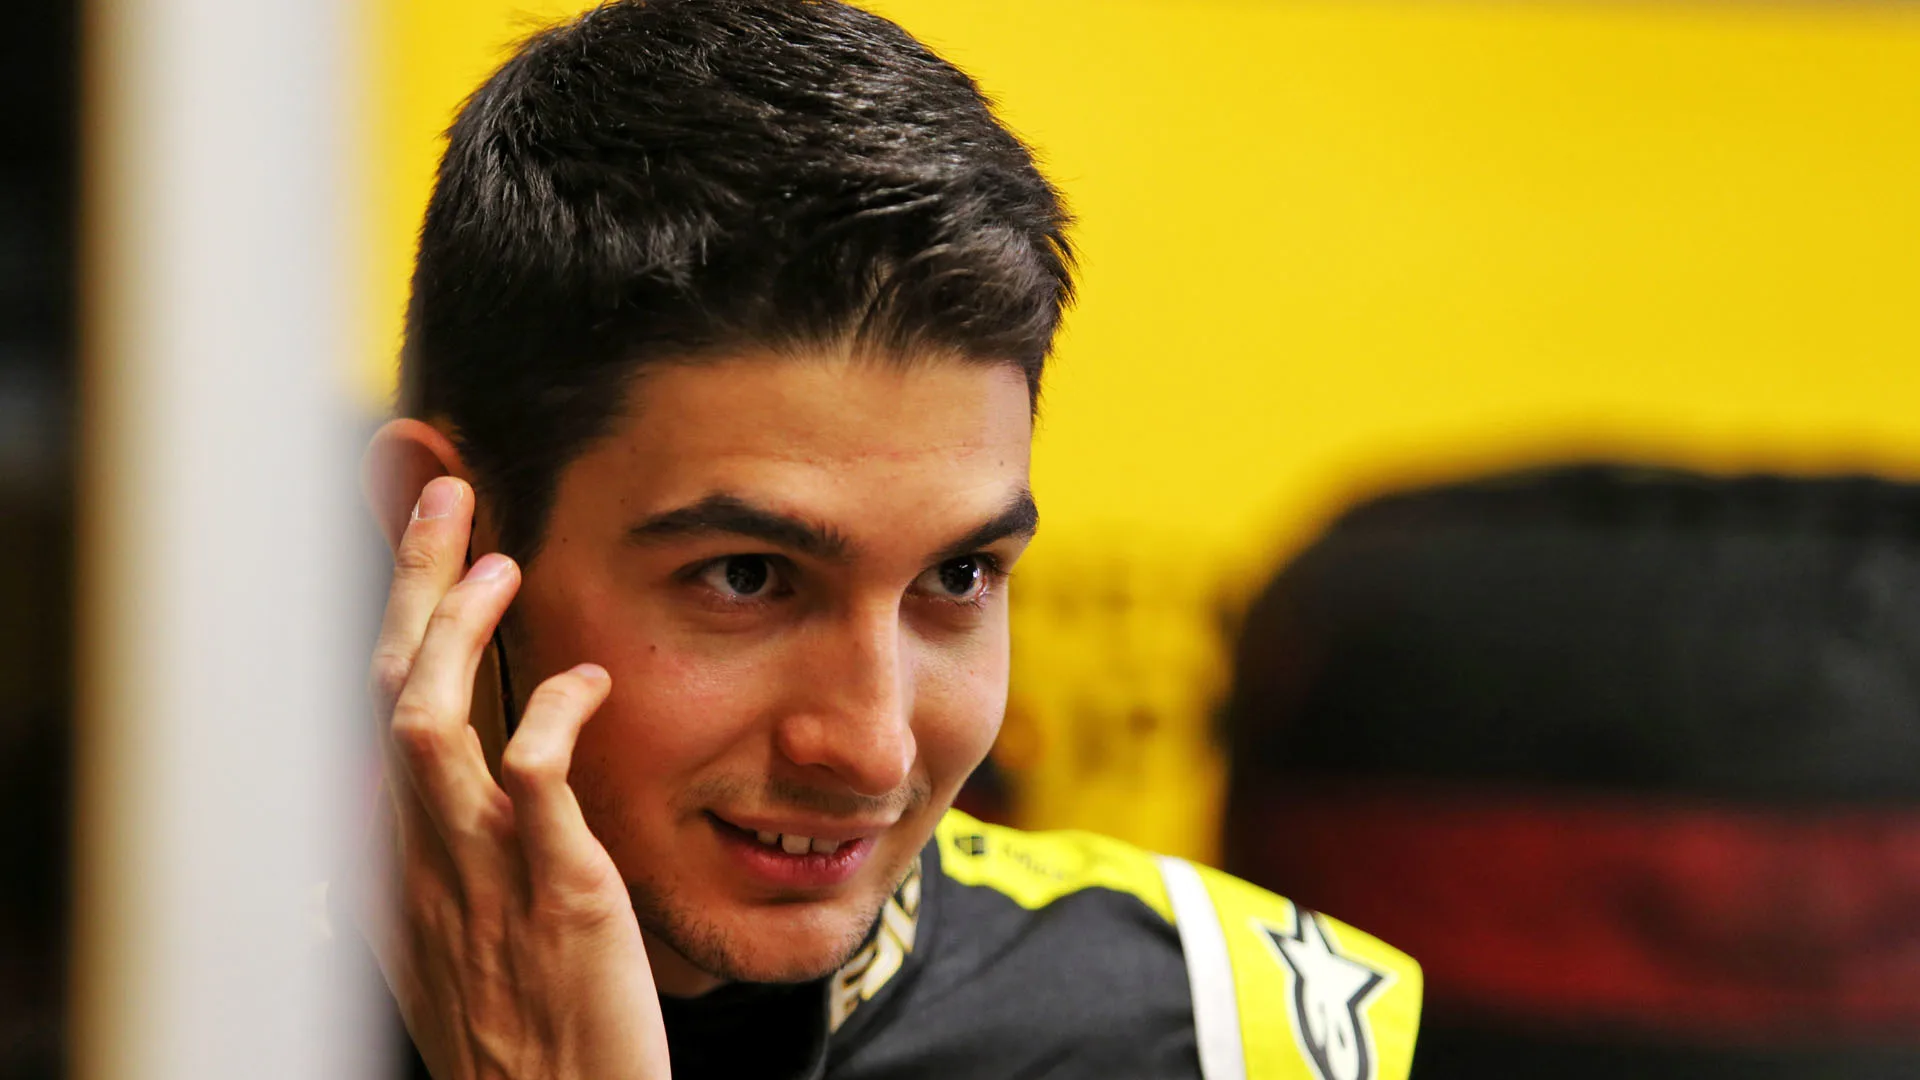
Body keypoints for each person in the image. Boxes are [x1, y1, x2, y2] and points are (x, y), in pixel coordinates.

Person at [349, 2, 1421, 1077]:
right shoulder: (197, 998)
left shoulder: (1253, 1035)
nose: (874, 749)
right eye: (748, 577)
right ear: (437, 531)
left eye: (958, 576)